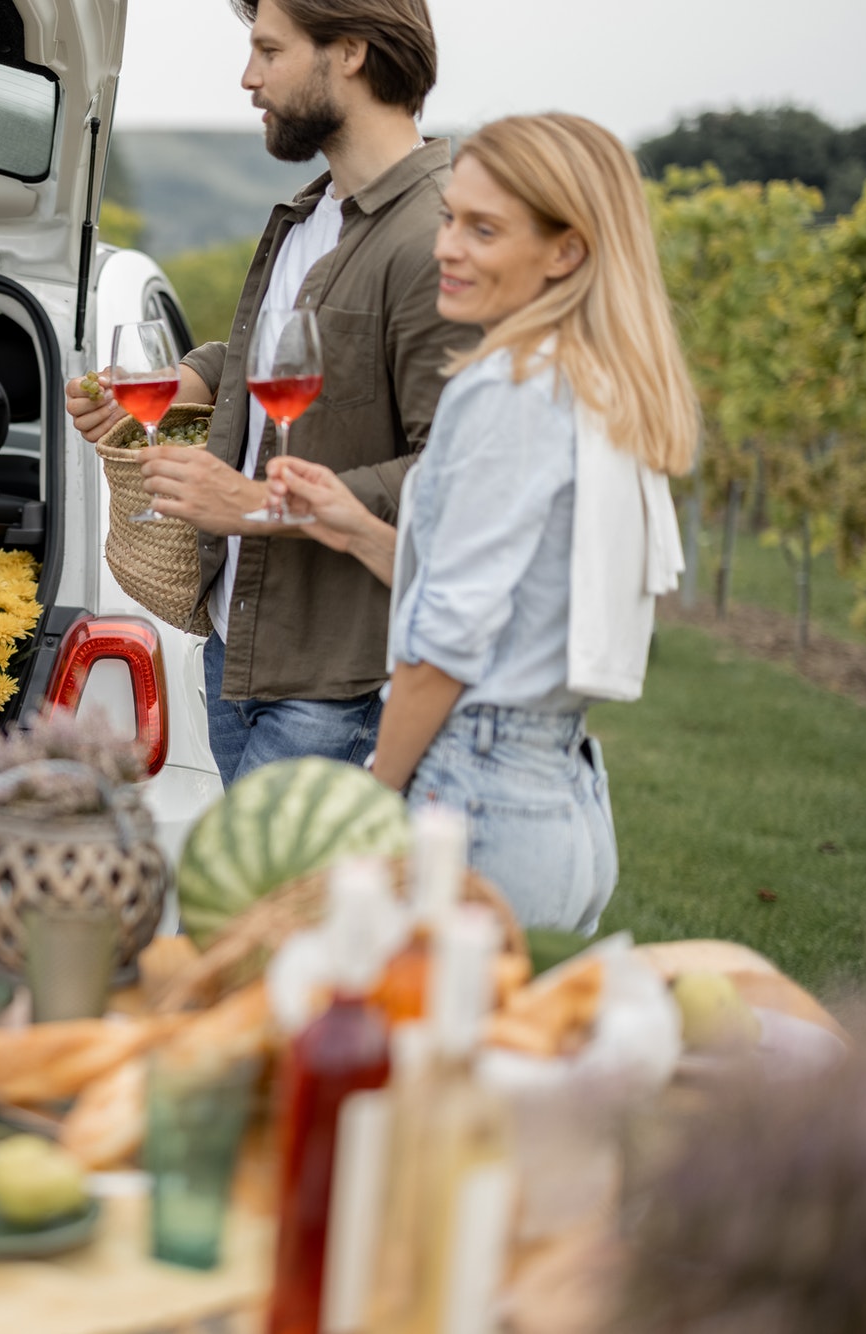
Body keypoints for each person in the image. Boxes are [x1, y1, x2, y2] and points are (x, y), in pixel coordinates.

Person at [263, 113, 698, 931]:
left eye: (483, 229)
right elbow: (504, 598)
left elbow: (446, 646)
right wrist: (356, 527)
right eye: (452, 216)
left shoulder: (504, 389)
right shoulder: (590, 382)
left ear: (565, 251)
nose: (446, 247)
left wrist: (366, 801)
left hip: (474, 798)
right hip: (560, 798)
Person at [68, 0, 474, 787]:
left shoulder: (436, 237)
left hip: (336, 681)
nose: (248, 78)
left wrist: (252, 505)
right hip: (240, 649)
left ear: (349, 52)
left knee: (269, 906)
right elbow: (271, 359)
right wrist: (181, 380)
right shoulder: (305, 216)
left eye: (268, 51)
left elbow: (451, 472)